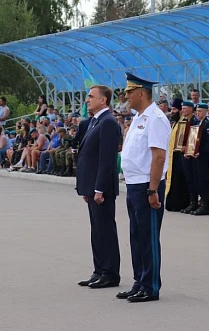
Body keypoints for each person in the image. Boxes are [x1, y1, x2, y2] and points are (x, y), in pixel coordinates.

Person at [118, 72, 170, 303]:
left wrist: (152, 189)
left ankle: (150, 286)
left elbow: (158, 156)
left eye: (129, 92)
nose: (126, 96)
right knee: (137, 236)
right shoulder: (139, 118)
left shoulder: (156, 118)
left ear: (141, 93)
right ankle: (139, 281)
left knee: (148, 238)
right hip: (134, 185)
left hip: (147, 186)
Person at [76, 85, 121, 290]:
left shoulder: (108, 122)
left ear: (103, 100)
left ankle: (110, 273)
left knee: (105, 230)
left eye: (91, 97)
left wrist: (99, 189)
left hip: (101, 188)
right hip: (92, 187)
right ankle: (99, 269)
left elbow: (106, 159)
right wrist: (86, 188)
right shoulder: (94, 122)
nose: (87, 100)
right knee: (97, 230)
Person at [188, 103, 209, 216]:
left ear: (205, 111)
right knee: (197, 180)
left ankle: (205, 206)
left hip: (202, 156)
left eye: (200, 111)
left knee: (203, 181)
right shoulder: (197, 123)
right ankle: (197, 203)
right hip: (195, 156)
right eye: (197, 111)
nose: (198, 113)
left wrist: (201, 152)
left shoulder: (208, 124)